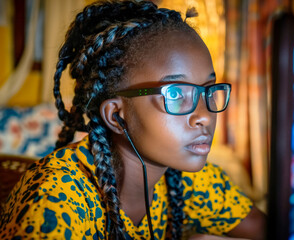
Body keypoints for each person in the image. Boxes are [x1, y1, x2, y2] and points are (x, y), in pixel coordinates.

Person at [0, 0, 266, 239]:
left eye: (208, 89)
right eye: (175, 94)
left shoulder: (190, 180)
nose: (204, 118)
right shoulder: (55, 201)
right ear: (116, 115)